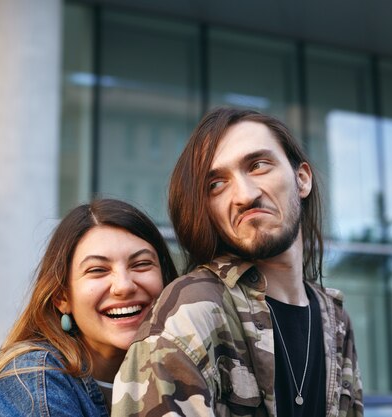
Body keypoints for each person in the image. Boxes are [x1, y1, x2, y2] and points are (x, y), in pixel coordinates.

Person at [112, 108, 363, 417]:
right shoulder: (194, 309)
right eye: (217, 184)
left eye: (258, 165)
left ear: (302, 179)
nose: (244, 195)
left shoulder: (335, 321)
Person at [0, 198, 178, 417]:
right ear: (62, 297)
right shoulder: (35, 378)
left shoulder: (179, 367)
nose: (124, 286)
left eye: (141, 264)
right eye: (98, 270)